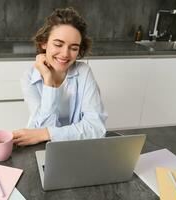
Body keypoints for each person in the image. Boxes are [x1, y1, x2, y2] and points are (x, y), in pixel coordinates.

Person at [13, 7, 107, 146]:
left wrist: (47, 133)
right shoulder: (29, 78)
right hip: (42, 146)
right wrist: (48, 81)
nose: (65, 54)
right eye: (58, 44)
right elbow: (43, 128)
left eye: (74, 48)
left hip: (75, 146)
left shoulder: (84, 72)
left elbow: (96, 129)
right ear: (44, 43)